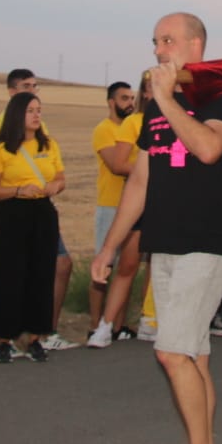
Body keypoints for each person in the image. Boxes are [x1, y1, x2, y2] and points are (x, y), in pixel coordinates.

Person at [92, 12, 222, 444]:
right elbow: (140, 180)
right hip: (166, 241)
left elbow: (207, 148)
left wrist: (162, 98)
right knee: (193, 355)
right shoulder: (157, 110)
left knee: (170, 351)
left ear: (196, 43)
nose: (159, 50)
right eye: (155, 41)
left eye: (169, 40)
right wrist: (111, 247)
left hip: (208, 241)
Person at [0, 68, 76, 350]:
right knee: (9, 275)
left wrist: (55, 186)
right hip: (12, 213)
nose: (36, 115)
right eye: (30, 111)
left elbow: (61, 178)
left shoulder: (49, 145)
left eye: (39, 110)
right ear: (17, 114)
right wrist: (16, 190)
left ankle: (37, 336)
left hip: (42, 212)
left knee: (41, 274)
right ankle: (5, 337)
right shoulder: (2, 149)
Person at [87, 80, 140, 348]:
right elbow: (115, 165)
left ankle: (118, 325)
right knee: (103, 267)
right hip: (111, 205)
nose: (129, 103)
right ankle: (95, 324)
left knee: (127, 266)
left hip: (134, 206)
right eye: (123, 98)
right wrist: (151, 168)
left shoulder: (133, 127)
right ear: (111, 102)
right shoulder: (104, 130)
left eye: (131, 98)